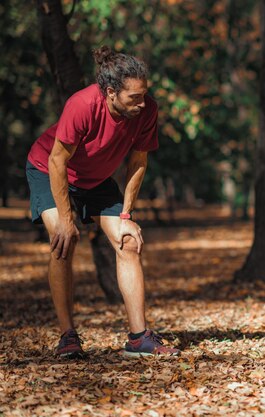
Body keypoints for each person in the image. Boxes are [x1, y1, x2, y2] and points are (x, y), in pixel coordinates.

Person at [26, 46, 179, 358]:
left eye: (144, 94)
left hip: (95, 180)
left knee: (129, 241)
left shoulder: (147, 109)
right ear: (111, 92)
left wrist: (126, 214)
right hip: (50, 170)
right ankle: (67, 336)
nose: (141, 103)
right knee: (63, 240)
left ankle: (139, 338)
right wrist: (67, 220)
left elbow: (138, 162)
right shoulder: (82, 105)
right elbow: (57, 161)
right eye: (133, 97)